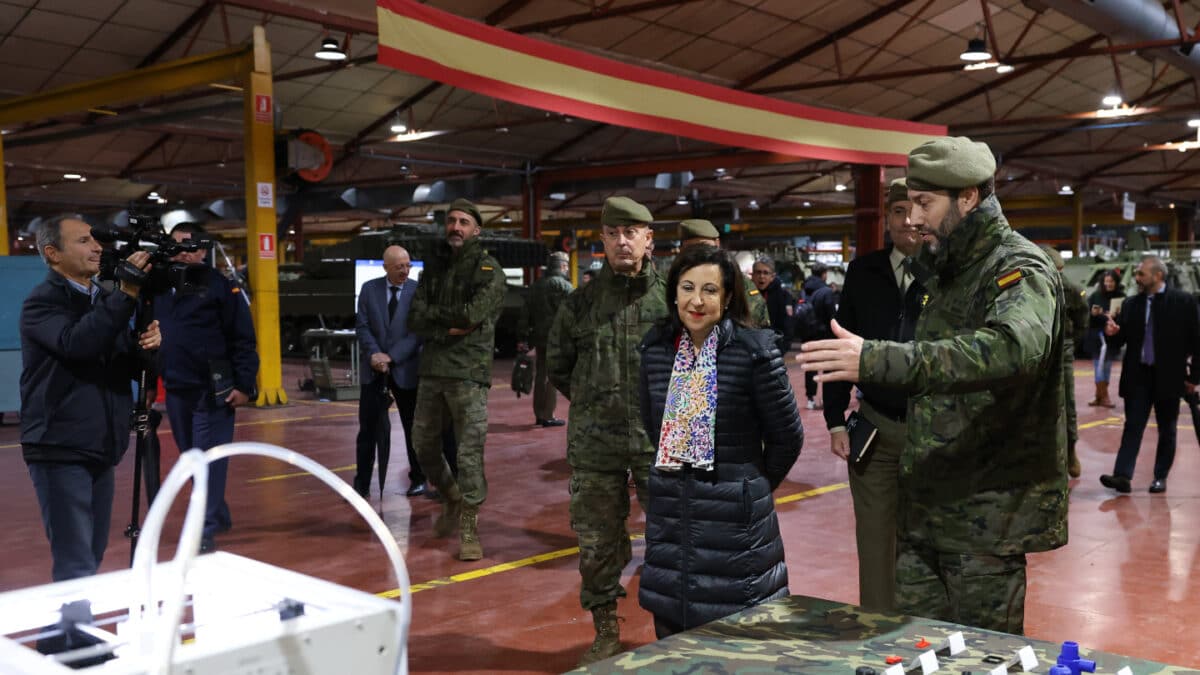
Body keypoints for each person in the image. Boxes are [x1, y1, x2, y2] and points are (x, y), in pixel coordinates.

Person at [797, 137, 1067, 635]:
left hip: (983, 511)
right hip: (925, 501)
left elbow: (1012, 349)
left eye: (925, 204)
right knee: (921, 646)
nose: (913, 218)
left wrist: (877, 358)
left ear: (968, 197)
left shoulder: (1016, 268)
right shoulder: (948, 268)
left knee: (983, 656)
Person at [638, 245, 802, 638]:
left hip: (735, 523)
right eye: (687, 287)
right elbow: (651, 422)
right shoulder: (657, 349)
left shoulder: (754, 352)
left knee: (737, 637)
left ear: (728, 297)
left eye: (710, 290)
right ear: (673, 292)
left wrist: (750, 485)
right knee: (674, 636)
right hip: (671, 518)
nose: (696, 300)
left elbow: (787, 437)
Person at [546, 196, 668, 666]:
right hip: (596, 443)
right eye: (613, 232)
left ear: (648, 239)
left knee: (674, 534)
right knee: (597, 540)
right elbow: (560, 366)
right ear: (602, 240)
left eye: (631, 232)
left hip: (660, 440)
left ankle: (673, 625)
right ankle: (604, 629)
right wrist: (599, 402)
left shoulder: (672, 300)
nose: (622, 241)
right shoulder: (580, 303)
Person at [20, 215, 161, 581]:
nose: (97, 247)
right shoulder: (43, 302)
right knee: (76, 561)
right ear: (53, 253)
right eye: (83, 240)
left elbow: (121, 363)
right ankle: (70, 638)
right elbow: (78, 344)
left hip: (101, 445)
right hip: (59, 446)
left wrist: (146, 347)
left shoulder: (104, 299)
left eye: (95, 239)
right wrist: (126, 295)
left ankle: (70, 636)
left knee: (93, 554)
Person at [822, 177, 924, 612]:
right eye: (898, 212)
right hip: (876, 426)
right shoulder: (863, 272)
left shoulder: (951, 274)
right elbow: (841, 346)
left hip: (932, 429)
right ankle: (879, 636)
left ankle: (925, 633)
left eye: (916, 211)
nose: (908, 222)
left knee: (927, 541)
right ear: (888, 219)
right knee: (875, 540)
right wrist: (833, 419)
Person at [409, 198, 507, 561]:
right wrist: (443, 322)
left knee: (469, 452)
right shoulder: (433, 269)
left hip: (468, 372)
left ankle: (469, 526)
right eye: (451, 221)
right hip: (433, 368)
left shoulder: (488, 269)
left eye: (464, 222)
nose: (456, 227)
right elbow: (414, 318)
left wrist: (442, 320)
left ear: (476, 230)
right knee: (422, 445)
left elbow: (469, 316)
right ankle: (450, 497)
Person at [156, 222, 259, 554]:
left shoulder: (220, 286)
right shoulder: (160, 286)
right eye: (177, 245)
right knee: (192, 459)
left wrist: (245, 385)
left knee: (208, 461)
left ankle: (205, 526)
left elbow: (243, 338)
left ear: (203, 249)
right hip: (176, 387)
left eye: (191, 245)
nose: (185, 251)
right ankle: (218, 512)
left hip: (212, 389)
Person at [354, 245, 457, 498]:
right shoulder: (369, 290)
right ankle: (362, 484)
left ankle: (419, 478)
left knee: (414, 428)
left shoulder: (417, 292)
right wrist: (375, 355)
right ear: (385, 267)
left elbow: (418, 333)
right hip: (374, 370)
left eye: (408, 265)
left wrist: (392, 356)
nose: (404, 270)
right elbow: (362, 326)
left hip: (406, 371)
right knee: (367, 430)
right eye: (399, 266)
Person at [1099, 255, 1200, 495]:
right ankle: (1123, 475)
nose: (1137, 277)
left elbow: (1197, 343)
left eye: (1141, 273)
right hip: (1138, 376)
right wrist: (1113, 333)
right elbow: (1121, 341)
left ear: (1158, 276)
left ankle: (1160, 476)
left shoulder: (1183, 302)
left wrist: (1193, 379)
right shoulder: (1132, 304)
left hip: (1169, 377)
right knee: (1133, 425)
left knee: (1168, 428)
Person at [1040, 244, 1089, 479]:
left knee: (1067, 401)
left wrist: (1071, 343)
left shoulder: (1071, 290)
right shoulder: (1033, 285)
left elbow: (1082, 319)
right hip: (1039, 347)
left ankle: (1070, 450)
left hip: (1063, 346)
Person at [678, 219, 770, 328]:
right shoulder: (673, 282)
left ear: (717, 244)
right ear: (681, 250)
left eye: (704, 246)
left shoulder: (736, 281)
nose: (699, 253)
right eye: (691, 249)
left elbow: (759, 319)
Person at [520, 251, 574, 427]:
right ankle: (548, 415)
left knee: (541, 373)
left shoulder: (536, 286)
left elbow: (524, 313)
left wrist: (523, 336)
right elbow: (574, 312)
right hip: (557, 338)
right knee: (552, 376)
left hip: (539, 337)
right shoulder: (565, 287)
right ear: (563, 266)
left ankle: (538, 413)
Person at [1085, 270, 1124, 408]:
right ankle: (1105, 396)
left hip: (1113, 337)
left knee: (1106, 367)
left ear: (1116, 282)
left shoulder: (1121, 297)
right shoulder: (1095, 296)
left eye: (1111, 281)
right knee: (1099, 366)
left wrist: (1117, 317)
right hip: (1098, 336)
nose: (1109, 284)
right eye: (1106, 281)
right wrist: (1095, 314)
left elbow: (1124, 318)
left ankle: (1098, 396)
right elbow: (1087, 315)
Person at [800, 263, 837, 409]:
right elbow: (831, 315)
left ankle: (810, 399)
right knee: (827, 367)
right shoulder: (826, 291)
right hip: (824, 335)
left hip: (808, 333)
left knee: (811, 367)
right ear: (824, 274)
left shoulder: (805, 288)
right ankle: (826, 398)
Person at [751, 257, 797, 353]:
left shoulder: (783, 296)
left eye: (765, 273)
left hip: (773, 349)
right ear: (753, 275)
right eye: (758, 272)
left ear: (772, 276)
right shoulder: (745, 295)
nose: (761, 276)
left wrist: (781, 348)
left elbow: (788, 325)